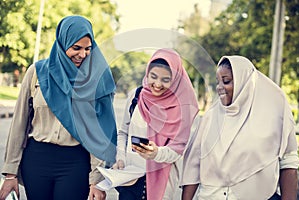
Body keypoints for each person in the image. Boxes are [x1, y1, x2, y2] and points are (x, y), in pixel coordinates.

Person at [0, 15, 117, 200]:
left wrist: (97, 180)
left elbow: (101, 133)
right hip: (36, 160)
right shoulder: (37, 73)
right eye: (76, 48)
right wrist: (10, 174)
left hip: (75, 163)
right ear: (63, 45)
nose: (83, 54)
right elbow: (19, 124)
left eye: (88, 48)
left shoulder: (97, 79)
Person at [181, 55, 299, 200]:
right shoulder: (210, 117)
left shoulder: (274, 115)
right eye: (218, 82)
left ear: (245, 82)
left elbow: (288, 162)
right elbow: (193, 165)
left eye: (226, 81)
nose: (220, 88)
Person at [112, 48, 199, 200]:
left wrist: (156, 153)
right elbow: (123, 132)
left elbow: (178, 149)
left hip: (162, 186)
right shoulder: (136, 96)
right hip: (129, 180)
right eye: (153, 77)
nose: (157, 84)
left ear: (175, 80)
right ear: (147, 73)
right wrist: (121, 158)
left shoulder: (182, 108)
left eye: (165, 80)